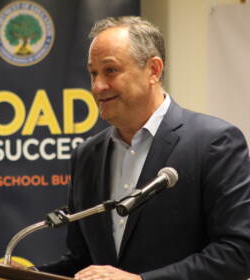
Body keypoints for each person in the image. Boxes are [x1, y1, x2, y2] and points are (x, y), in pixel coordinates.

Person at [13, 16, 250, 280]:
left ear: (154, 70)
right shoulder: (87, 156)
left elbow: (237, 254)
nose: (98, 86)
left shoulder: (213, 143)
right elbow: (83, 262)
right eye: (93, 74)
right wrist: (27, 276)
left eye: (110, 71)